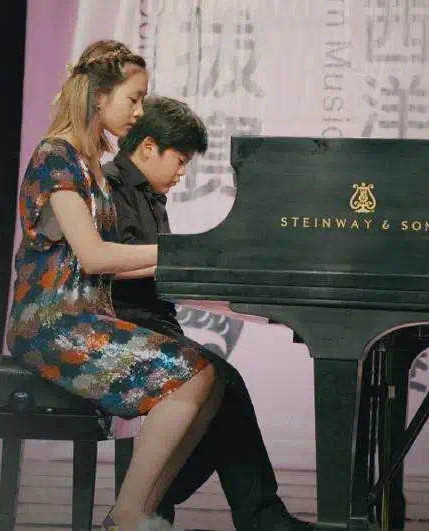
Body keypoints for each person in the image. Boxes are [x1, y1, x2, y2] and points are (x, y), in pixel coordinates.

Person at [6, 40, 226, 531]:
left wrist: (195, 263)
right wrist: (182, 254)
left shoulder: (87, 163)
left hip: (86, 316)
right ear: (99, 97)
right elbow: (95, 256)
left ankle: (139, 510)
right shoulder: (55, 157)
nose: (140, 111)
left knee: (209, 379)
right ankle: (127, 515)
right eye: (134, 99)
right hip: (52, 324)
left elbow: (113, 261)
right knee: (194, 375)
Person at [103, 96, 313, 530]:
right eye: (180, 161)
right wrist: (193, 261)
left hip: (153, 323)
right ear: (148, 147)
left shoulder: (148, 195)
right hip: (123, 327)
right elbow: (115, 264)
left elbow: (157, 269)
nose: (182, 174)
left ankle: (150, 505)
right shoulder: (110, 187)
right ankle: (248, 516)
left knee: (224, 387)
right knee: (223, 383)